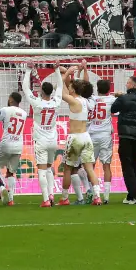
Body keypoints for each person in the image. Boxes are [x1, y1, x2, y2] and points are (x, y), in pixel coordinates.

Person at [56, 66, 102, 206]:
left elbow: (60, 91)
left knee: (68, 169)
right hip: (86, 137)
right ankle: (97, 196)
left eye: (70, 87)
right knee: (89, 168)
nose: (68, 88)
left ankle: (64, 198)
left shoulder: (74, 101)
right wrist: (77, 73)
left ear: (74, 90)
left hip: (75, 138)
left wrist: (65, 74)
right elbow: (76, 87)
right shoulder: (86, 101)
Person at [22, 67, 62, 207]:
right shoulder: (56, 101)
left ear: (41, 91)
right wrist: (56, 70)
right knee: (50, 167)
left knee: (42, 170)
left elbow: (25, 88)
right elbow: (61, 85)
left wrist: (27, 70)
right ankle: (51, 194)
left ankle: (45, 199)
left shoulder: (37, 102)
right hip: (53, 140)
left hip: (41, 141)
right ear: (52, 91)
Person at [82, 68, 117, 204]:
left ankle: (93, 193)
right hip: (105, 136)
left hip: (91, 135)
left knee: (90, 166)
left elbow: (85, 85)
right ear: (109, 89)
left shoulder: (91, 98)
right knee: (106, 166)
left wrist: (85, 69)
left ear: (97, 88)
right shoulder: (112, 100)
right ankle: (106, 197)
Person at [111, 76, 136, 204]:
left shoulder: (123, 98)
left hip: (126, 134)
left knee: (127, 165)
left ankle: (135, 194)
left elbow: (113, 109)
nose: (126, 85)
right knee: (133, 164)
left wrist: (119, 97)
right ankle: (132, 195)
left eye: (127, 83)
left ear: (132, 85)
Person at [0, 92, 28, 206]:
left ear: (10, 99)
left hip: (6, 143)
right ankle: (11, 200)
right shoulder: (24, 113)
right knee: (11, 173)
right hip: (18, 146)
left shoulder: (5, 110)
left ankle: (2, 186)